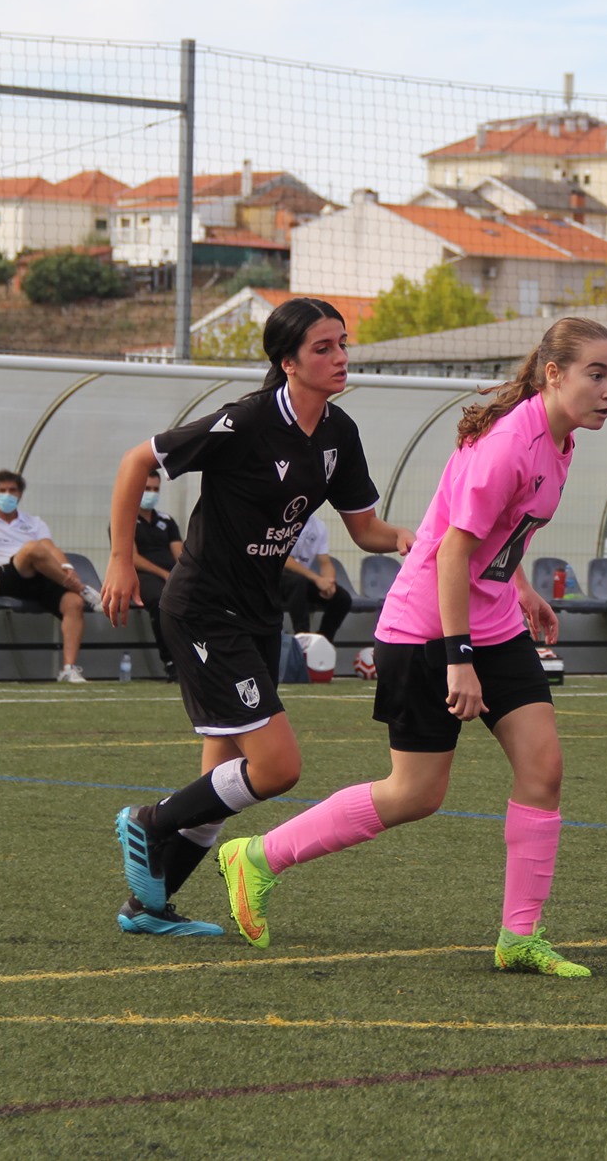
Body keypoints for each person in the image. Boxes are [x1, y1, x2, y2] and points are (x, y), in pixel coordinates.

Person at [211, 317, 607, 977]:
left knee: (544, 767)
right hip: (429, 628)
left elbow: (495, 534)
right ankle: (258, 855)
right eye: (596, 374)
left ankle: (519, 937)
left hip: (493, 622)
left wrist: (519, 587)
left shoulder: (560, 442)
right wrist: (458, 658)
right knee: (415, 792)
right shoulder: (509, 443)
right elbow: (454, 549)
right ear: (553, 374)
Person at [101, 298, 414, 939]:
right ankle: (148, 821)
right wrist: (120, 559)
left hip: (256, 616)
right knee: (276, 768)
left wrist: (418, 538)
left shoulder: (338, 433)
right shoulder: (245, 420)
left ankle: (149, 908)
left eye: (343, 344)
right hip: (202, 613)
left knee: (219, 776)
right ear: (287, 362)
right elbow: (137, 462)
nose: (339, 358)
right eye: (323, 348)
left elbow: (367, 529)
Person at [0, 469, 102, 685]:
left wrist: (67, 566)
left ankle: (68, 670)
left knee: (74, 603)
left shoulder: (34, 522)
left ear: (20, 494)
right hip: (7, 579)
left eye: (12, 490)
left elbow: (51, 547)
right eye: (2, 490)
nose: (7, 495)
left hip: (39, 577)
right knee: (31, 548)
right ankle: (84, 589)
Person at [128, 468, 183, 680]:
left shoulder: (166, 521)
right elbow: (131, 557)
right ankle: (171, 662)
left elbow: (178, 553)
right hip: (142, 577)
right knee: (162, 602)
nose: (151, 493)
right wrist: (163, 574)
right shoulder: (126, 519)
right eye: (146, 488)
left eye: (154, 489)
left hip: (171, 576)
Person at [279, 510, 354, 644]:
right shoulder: (282, 521)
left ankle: (323, 642)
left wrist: (329, 582)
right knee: (298, 581)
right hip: (276, 581)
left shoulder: (319, 527)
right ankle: (303, 638)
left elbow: (325, 562)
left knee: (342, 598)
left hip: (300, 583)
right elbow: (284, 559)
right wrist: (317, 579)